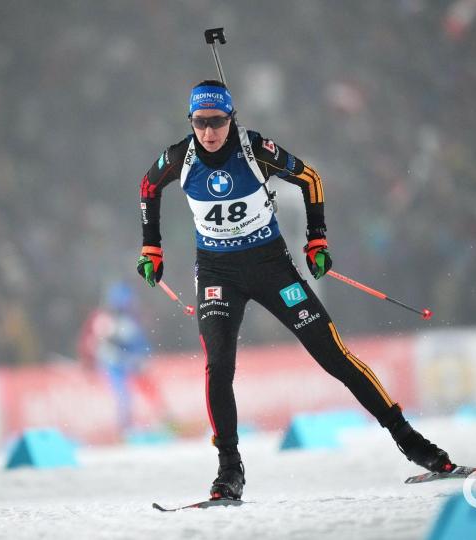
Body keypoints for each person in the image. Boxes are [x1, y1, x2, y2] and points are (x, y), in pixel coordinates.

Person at [136, 80, 453, 501]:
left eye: (217, 122)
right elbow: (147, 188)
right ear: (191, 122)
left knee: (333, 355)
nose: (209, 131)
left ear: (232, 118)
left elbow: (309, 179)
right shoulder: (181, 156)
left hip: (271, 268)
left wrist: (317, 240)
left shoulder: (254, 150)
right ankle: (229, 471)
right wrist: (151, 247)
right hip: (218, 275)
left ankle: (412, 443)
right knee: (218, 367)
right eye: (200, 122)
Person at [77, 281, 168, 438]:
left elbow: (139, 342)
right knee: (123, 395)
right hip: (113, 364)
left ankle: (162, 420)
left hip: (131, 362)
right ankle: (125, 428)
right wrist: (90, 357)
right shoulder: (101, 318)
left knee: (149, 390)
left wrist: (143, 357)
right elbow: (89, 342)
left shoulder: (132, 318)